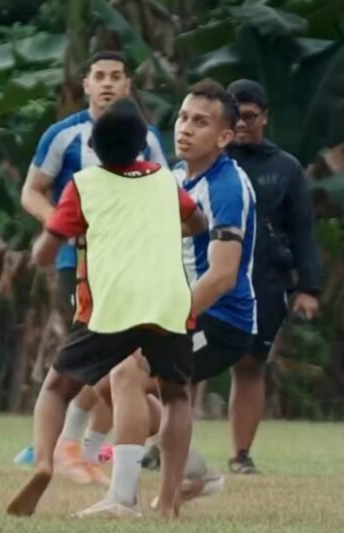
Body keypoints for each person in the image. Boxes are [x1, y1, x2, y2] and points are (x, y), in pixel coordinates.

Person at [6, 99, 208, 520]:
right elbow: (199, 224)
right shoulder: (164, 180)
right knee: (176, 396)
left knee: (57, 388)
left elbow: (44, 255)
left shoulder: (83, 185)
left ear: (93, 147)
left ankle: (43, 462)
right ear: (143, 145)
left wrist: (56, 240)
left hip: (112, 305)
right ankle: (169, 502)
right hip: (168, 303)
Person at [94, 79, 258, 512]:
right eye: (183, 117)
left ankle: (123, 498)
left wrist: (167, 318)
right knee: (110, 384)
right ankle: (194, 474)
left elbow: (222, 276)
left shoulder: (226, 187)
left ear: (224, 137)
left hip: (223, 320)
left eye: (200, 122)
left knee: (129, 374)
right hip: (182, 310)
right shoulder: (174, 177)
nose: (185, 128)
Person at [17, 50, 169, 484]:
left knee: (123, 358)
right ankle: (69, 443)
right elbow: (32, 191)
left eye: (115, 76)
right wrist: (63, 225)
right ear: (85, 84)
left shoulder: (149, 139)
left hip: (136, 263)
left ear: (127, 85)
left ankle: (82, 446)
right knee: (102, 351)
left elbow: (166, 193)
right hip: (79, 261)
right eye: (99, 76)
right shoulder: (63, 135)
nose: (106, 83)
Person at [224, 79, 321, 474]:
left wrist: (308, 288)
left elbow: (303, 231)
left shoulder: (285, 168)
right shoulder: (208, 160)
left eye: (249, 117)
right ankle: (163, 446)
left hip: (265, 280)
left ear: (265, 117)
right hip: (206, 277)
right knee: (183, 364)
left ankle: (241, 454)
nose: (241, 124)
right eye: (234, 117)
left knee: (250, 364)